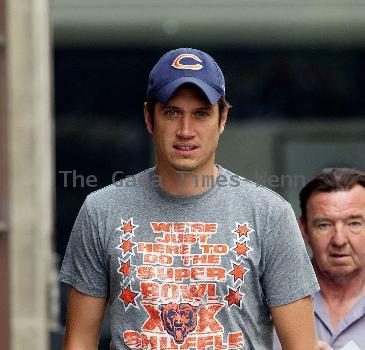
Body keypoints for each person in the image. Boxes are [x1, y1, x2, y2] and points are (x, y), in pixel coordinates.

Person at [59, 48, 319, 349]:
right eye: (172, 112)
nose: (185, 130)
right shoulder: (101, 211)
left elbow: (301, 345)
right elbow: (79, 341)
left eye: (201, 114)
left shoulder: (269, 214)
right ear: (149, 117)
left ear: (222, 119)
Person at [274, 168, 365, 350]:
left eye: (354, 223)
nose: (339, 240)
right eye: (324, 225)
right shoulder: (268, 300)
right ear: (304, 230)